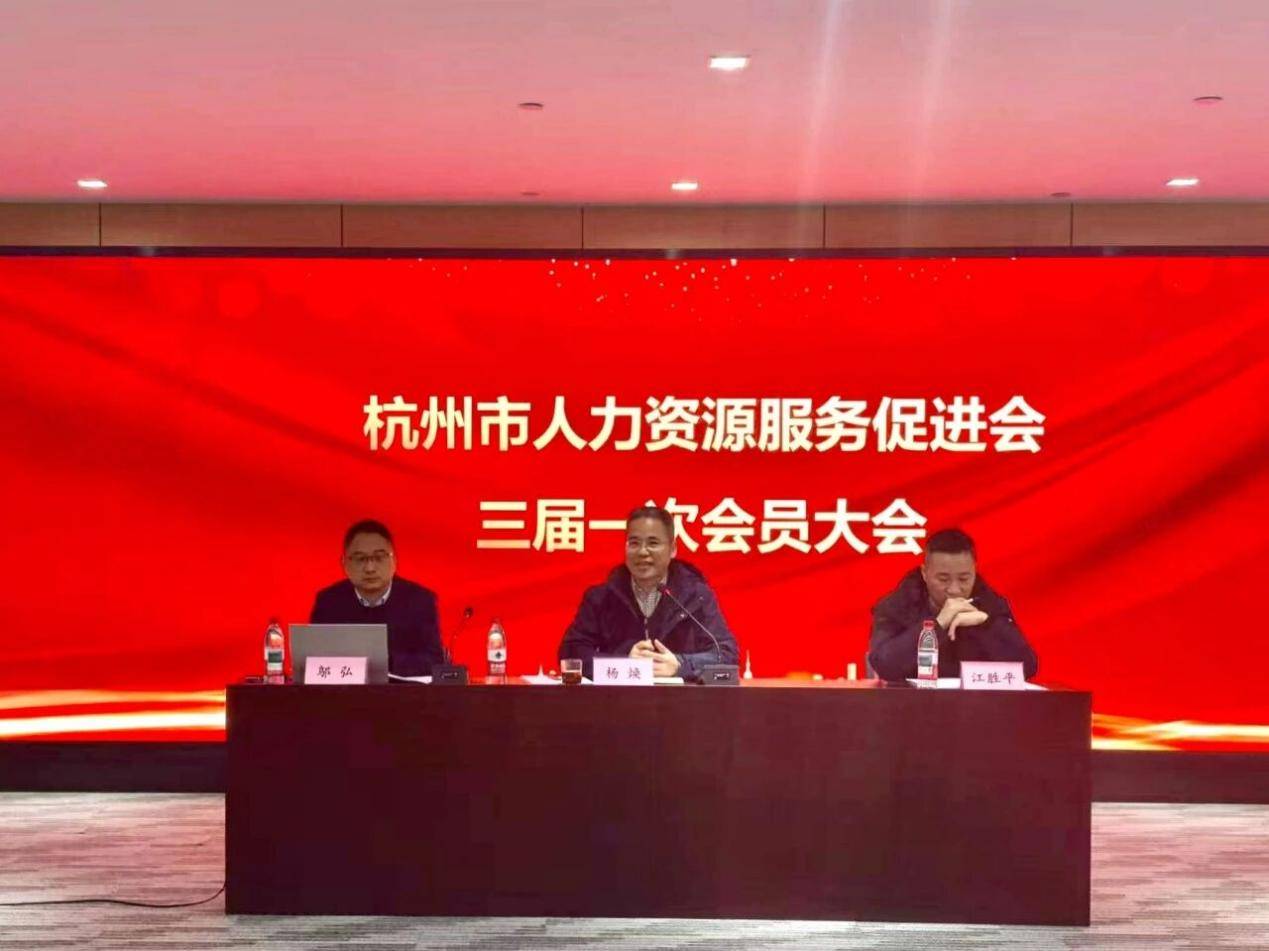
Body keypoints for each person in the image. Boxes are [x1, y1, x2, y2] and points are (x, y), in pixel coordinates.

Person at [559, 505, 739, 682]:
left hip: (680, 699)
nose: (642, 552)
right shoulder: (601, 598)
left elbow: (726, 654)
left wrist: (680, 664)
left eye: (653, 543)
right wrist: (625, 663)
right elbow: (570, 654)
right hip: (617, 699)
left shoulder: (696, 596)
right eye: (634, 543)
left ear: (673, 549)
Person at [868, 527, 1038, 681]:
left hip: (977, 703)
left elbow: (1028, 668)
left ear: (974, 571)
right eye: (943, 579)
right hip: (914, 702)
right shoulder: (897, 606)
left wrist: (986, 624)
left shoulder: (990, 604)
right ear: (925, 573)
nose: (955, 589)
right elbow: (885, 666)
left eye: (964, 579)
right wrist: (938, 625)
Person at [310, 519, 444, 677]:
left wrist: (384, 662)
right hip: (345, 691)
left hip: (402, 691)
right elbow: (313, 662)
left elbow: (434, 661)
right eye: (360, 559)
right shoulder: (328, 602)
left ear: (394, 561)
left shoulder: (421, 601)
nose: (370, 568)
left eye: (379, 557)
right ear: (344, 563)